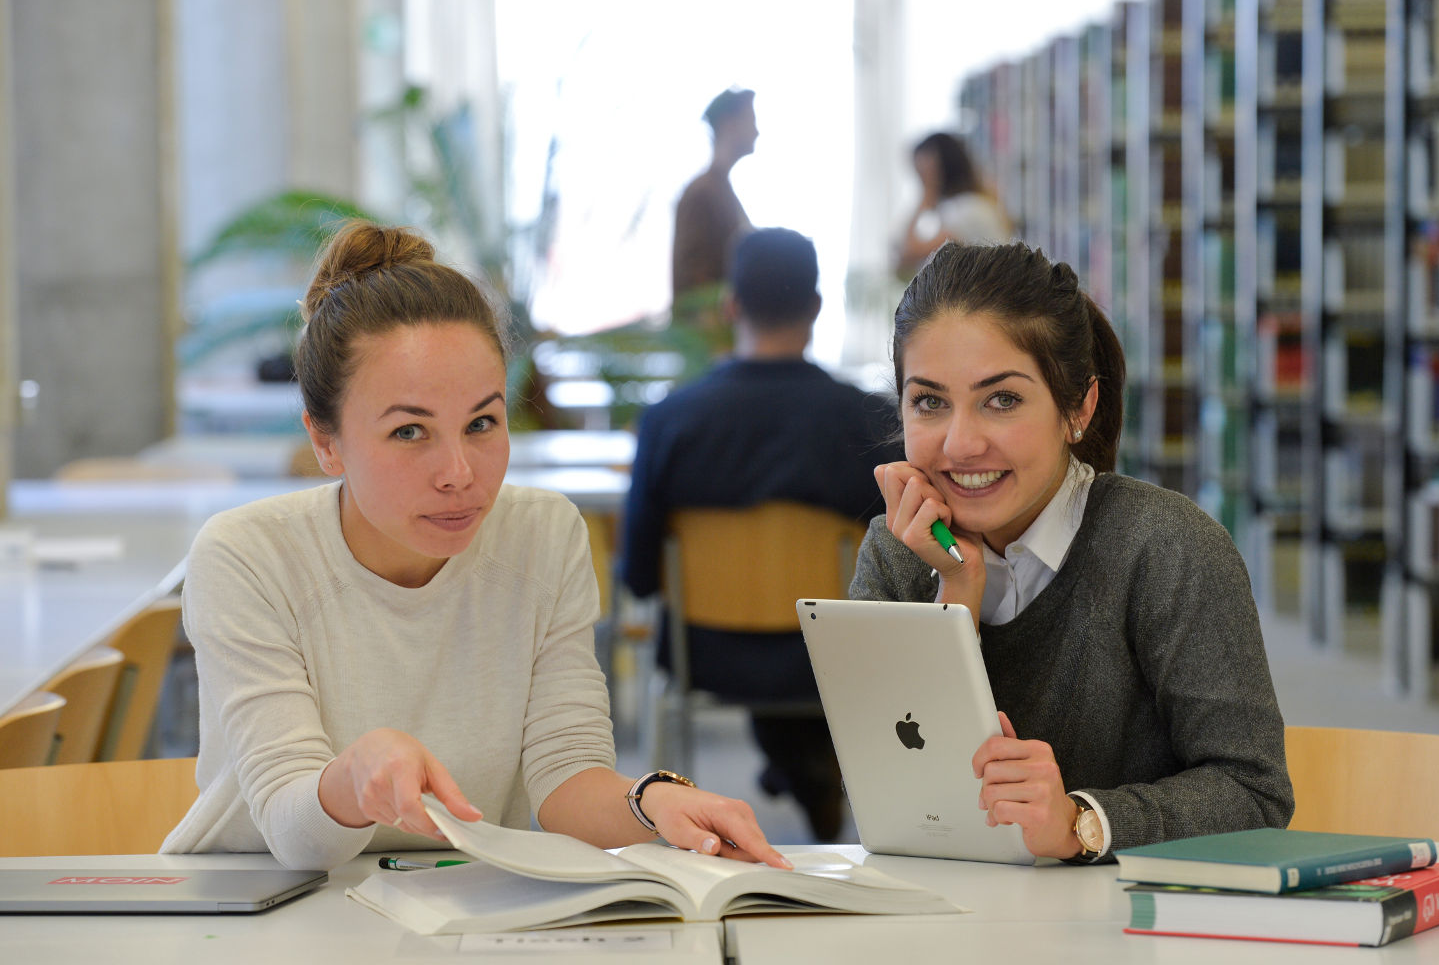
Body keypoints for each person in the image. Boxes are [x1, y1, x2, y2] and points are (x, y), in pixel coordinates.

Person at [161, 220, 791, 872]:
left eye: (482, 423)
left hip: (464, 902)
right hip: (259, 905)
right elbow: (295, 835)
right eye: (410, 432)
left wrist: (649, 801)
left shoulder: (543, 535)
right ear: (325, 442)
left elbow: (564, 776)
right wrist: (356, 774)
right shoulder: (248, 557)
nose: (459, 472)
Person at [852, 241, 1292, 862]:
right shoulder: (897, 551)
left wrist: (1082, 822)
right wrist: (956, 592)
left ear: (1077, 407)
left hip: (1130, 931)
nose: (960, 443)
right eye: (929, 402)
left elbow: (1256, 794)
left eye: (1001, 400)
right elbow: (886, 797)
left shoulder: (1167, 546)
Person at [621, 227, 899, 841]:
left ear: (731, 307)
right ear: (817, 308)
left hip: (708, 653)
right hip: (830, 655)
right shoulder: (869, 421)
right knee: (815, 645)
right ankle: (804, 769)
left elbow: (639, 573)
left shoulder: (670, 421)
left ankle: (793, 766)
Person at [671, 87, 757, 343]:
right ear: (729, 124)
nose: (757, 131)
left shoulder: (722, 191)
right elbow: (694, 281)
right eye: (751, 121)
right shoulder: (702, 193)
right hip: (709, 347)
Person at [894, 132, 1014, 277]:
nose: (921, 183)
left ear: (937, 172)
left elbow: (906, 256)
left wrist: (924, 199)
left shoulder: (965, 209)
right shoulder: (973, 203)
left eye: (922, 175)